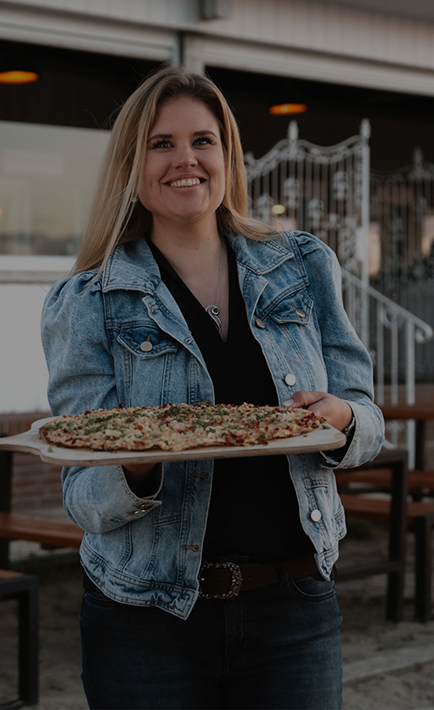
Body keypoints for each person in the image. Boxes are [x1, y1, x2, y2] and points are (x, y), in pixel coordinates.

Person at [41, 65, 384, 710]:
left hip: (294, 608)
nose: (185, 160)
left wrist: (341, 420)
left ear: (227, 155)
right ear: (131, 166)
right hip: (145, 619)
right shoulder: (86, 301)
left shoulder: (303, 267)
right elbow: (84, 498)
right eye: (161, 143)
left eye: (203, 140)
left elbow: (367, 420)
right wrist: (140, 462)